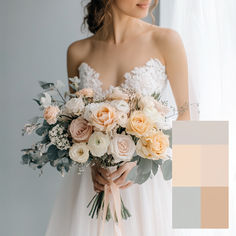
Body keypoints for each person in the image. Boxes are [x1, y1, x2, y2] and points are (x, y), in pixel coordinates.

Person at [45, 0, 190, 235]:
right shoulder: (77, 52)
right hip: (95, 189)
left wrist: (142, 163)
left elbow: (188, 117)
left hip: (149, 186)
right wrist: (92, 164)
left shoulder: (166, 40)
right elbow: (77, 127)